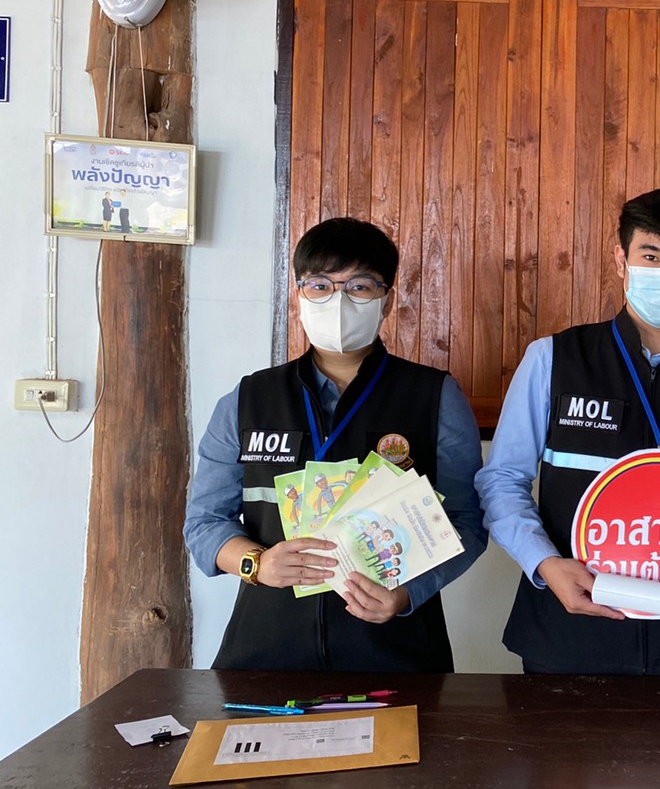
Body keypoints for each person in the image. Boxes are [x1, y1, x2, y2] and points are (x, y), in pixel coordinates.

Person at [477, 188, 660, 675]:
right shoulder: (553, 358)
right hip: (565, 631)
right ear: (620, 259)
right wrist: (545, 564)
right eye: (651, 256)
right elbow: (502, 479)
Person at [183, 217, 487, 672]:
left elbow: (467, 523)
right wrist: (255, 564)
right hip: (265, 652)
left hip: (397, 652)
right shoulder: (248, 400)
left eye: (359, 286)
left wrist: (408, 595)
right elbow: (204, 521)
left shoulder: (434, 396)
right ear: (300, 296)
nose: (338, 300)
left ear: (386, 300)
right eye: (321, 285)